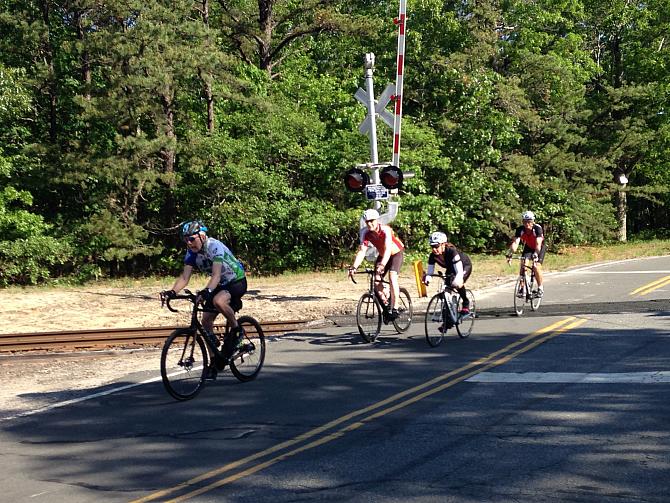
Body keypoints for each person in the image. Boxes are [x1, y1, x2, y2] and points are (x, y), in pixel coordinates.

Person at [161, 220, 247, 375]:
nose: (189, 243)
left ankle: (237, 329)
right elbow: (184, 277)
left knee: (218, 301)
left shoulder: (214, 246)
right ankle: (214, 362)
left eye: (191, 239)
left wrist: (207, 291)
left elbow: (216, 275)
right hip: (220, 284)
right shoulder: (191, 253)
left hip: (236, 281)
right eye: (186, 239)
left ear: (202, 236)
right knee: (206, 321)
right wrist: (171, 292)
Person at [348, 208, 405, 319]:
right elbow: (362, 251)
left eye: (372, 221)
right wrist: (354, 267)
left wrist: (382, 265)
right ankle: (387, 302)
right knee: (376, 281)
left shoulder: (385, 230)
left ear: (377, 220)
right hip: (383, 255)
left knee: (392, 277)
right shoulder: (365, 232)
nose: (369, 224)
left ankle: (395, 308)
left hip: (395, 253)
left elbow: (388, 249)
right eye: (367, 222)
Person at [422, 231, 473, 317]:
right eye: (432, 246)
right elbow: (430, 272)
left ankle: (465, 303)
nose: (434, 249)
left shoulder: (451, 252)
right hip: (451, 267)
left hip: (464, 265)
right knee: (446, 290)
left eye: (436, 246)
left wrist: (458, 279)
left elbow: (459, 271)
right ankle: (448, 315)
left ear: (443, 244)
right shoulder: (433, 256)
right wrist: (428, 278)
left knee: (457, 283)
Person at [506, 210, 546, 297]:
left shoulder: (537, 229)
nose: (527, 224)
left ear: (533, 222)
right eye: (524, 222)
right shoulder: (520, 230)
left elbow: (538, 244)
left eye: (529, 222)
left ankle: (540, 288)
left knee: (536, 266)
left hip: (539, 248)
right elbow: (515, 243)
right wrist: (510, 254)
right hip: (528, 247)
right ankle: (522, 288)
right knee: (523, 264)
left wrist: (536, 254)